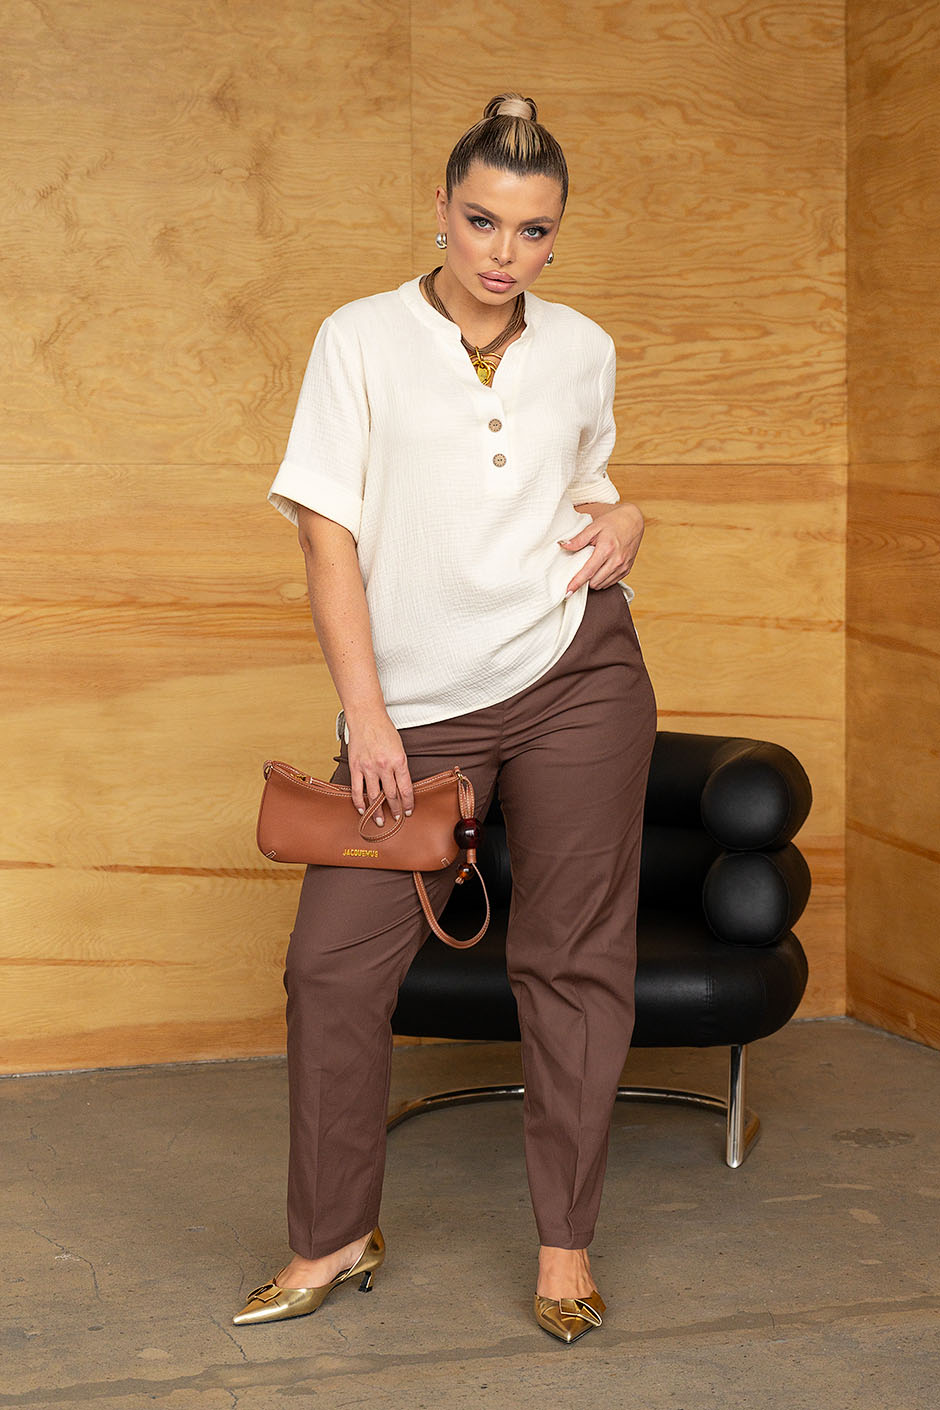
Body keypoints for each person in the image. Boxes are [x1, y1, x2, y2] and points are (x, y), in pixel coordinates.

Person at [233, 92, 657, 1344]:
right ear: (440, 209)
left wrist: (629, 517)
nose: (501, 252)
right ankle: (331, 1236)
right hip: (416, 709)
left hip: (578, 677)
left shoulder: (582, 347)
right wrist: (368, 719)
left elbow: (583, 484)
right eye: (480, 221)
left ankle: (565, 1248)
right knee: (330, 966)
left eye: (532, 231)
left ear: (556, 235)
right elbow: (327, 536)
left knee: (571, 959)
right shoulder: (358, 339)